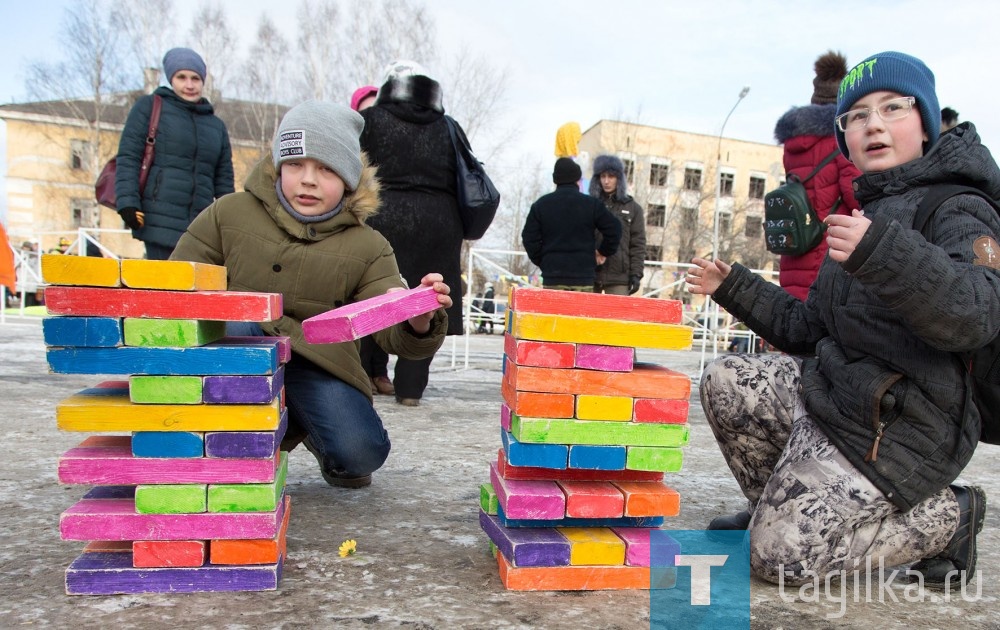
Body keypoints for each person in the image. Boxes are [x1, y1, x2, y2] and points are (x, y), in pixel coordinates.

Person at [687, 51, 998, 589]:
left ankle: (951, 516)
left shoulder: (959, 207)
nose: (873, 123)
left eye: (892, 108)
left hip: (903, 427)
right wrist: (731, 286)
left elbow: (975, 314)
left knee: (780, 561)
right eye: (857, 115)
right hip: (838, 397)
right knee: (727, 378)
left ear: (924, 122)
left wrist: (882, 252)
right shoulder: (866, 210)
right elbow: (809, 330)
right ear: (845, 136)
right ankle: (775, 510)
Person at [171, 100, 452, 488]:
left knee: (360, 454)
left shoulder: (369, 246)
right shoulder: (228, 214)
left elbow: (387, 326)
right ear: (278, 166)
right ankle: (225, 440)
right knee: (239, 321)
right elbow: (177, 283)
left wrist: (417, 321)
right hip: (236, 353)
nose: (308, 180)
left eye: (326, 169)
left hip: (317, 364)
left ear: (350, 179)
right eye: (295, 164)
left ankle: (300, 420)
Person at [359, 60, 468, 407]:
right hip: (438, 223)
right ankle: (410, 389)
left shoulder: (371, 121)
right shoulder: (449, 127)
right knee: (428, 300)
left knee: (370, 296)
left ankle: (362, 380)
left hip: (381, 216)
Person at [116, 47, 234, 260]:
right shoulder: (150, 107)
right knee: (165, 285)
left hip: (201, 224)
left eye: (195, 78)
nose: (189, 85)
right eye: (182, 77)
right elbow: (129, 157)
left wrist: (230, 222)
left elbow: (224, 180)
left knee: (200, 289)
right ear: (171, 78)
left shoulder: (216, 126)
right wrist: (128, 202)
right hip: (159, 219)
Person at [773, 50, 861, 301]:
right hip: (828, 255)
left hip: (795, 246)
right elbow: (856, 196)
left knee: (791, 323)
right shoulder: (842, 142)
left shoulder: (794, 142)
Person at [522, 158, 622, 291]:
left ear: (555, 179)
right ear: (577, 179)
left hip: (553, 277)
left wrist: (543, 261)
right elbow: (615, 229)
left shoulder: (541, 205)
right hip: (583, 276)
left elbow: (529, 238)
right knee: (580, 312)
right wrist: (602, 252)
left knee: (554, 312)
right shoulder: (591, 205)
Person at [588, 155, 647, 295]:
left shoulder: (633, 208)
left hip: (619, 277)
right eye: (603, 176)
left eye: (611, 176)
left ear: (619, 179)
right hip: (590, 274)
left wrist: (636, 274)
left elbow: (638, 244)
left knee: (617, 317)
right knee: (587, 316)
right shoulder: (589, 205)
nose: (606, 181)